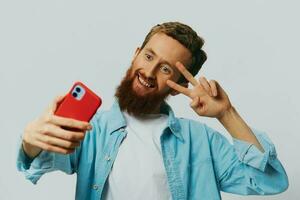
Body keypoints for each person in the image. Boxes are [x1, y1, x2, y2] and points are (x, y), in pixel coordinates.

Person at [17, 22, 289, 200]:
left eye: (166, 69)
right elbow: (37, 164)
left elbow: (270, 180)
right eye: (148, 56)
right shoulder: (92, 128)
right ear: (135, 53)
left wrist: (226, 114)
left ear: (178, 86)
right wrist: (31, 142)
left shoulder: (201, 142)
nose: (149, 72)